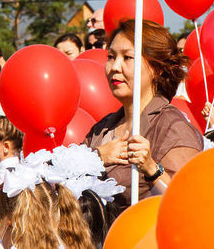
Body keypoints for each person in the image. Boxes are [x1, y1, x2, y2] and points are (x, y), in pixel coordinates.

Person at [83, 20, 203, 210]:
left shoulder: (172, 127)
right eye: (111, 56)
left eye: (128, 57)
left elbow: (188, 203)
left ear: (157, 68)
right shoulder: (102, 128)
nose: (115, 67)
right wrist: (96, 157)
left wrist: (151, 168)